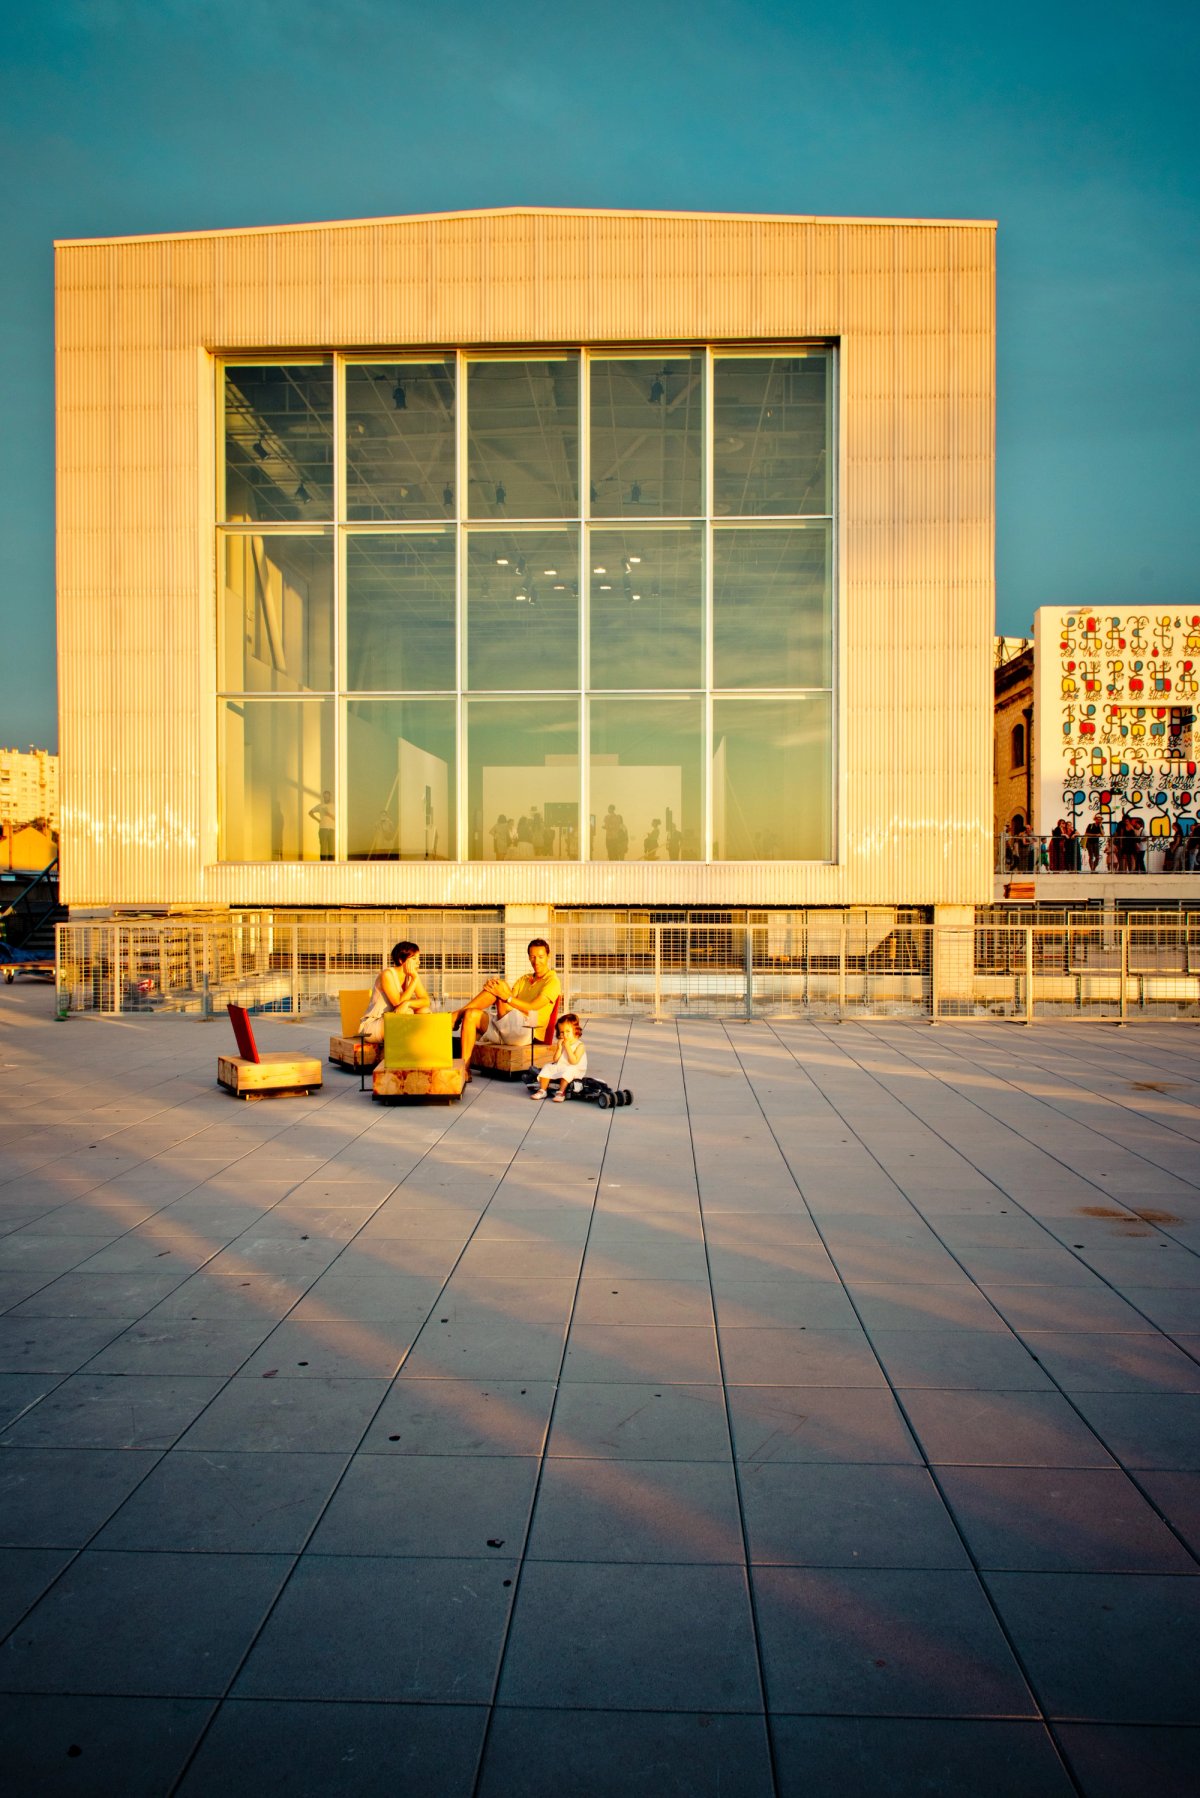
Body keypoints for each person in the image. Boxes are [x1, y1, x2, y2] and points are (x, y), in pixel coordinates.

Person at [455, 937, 562, 1076]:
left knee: (500, 987)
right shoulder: (524, 979)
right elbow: (505, 1000)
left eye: (541, 957)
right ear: (529, 957)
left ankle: (455, 1016)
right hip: (508, 1026)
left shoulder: (552, 981)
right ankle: (465, 1069)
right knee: (470, 1014)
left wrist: (504, 995)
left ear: (548, 956)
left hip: (529, 1028)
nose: (536, 961)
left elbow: (533, 1008)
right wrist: (493, 989)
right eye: (533, 957)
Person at [357, 941, 431, 1043]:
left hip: (393, 1020)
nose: (419, 962)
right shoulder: (387, 974)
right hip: (372, 1026)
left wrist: (408, 1003)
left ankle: (422, 1049)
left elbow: (426, 1001)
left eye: (419, 958)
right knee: (406, 1013)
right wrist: (414, 979)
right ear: (401, 960)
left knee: (424, 1010)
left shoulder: (412, 976)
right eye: (414, 959)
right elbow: (398, 1003)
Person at [530, 1012, 587, 1102]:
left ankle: (561, 1092)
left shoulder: (580, 1045)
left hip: (575, 1069)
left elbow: (574, 1061)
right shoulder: (563, 1044)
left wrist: (567, 1047)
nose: (565, 1034)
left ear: (576, 1031)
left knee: (568, 1070)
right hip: (562, 1066)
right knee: (547, 1066)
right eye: (562, 1032)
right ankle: (542, 1090)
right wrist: (559, 1048)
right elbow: (555, 1060)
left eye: (568, 1031)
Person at [309, 790, 335, 861]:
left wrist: (328, 813)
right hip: (323, 829)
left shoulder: (334, 806)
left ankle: (331, 865)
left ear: (330, 797)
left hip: (332, 829)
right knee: (323, 848)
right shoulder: (320, 806)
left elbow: (337, 818)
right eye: (325, 797)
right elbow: (310, 812)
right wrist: (318, 820)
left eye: (327, 796)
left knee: (331, 849)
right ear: (323, 797)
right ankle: (323, 864)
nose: (326, 798)